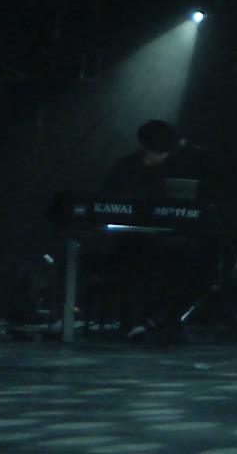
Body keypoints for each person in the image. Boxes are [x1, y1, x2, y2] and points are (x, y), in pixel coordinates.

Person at [95, 120, 210, 341]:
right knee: (139, 262)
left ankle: (166, 319)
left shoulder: (176, 168)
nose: (162, 156)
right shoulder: (124, 168)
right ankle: (135, 322)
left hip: (167, 238)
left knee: (194, 264)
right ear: (146, 147)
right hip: (128, 237)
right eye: (158, 151)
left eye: (166, 152)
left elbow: (186, 203)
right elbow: (105, 200)